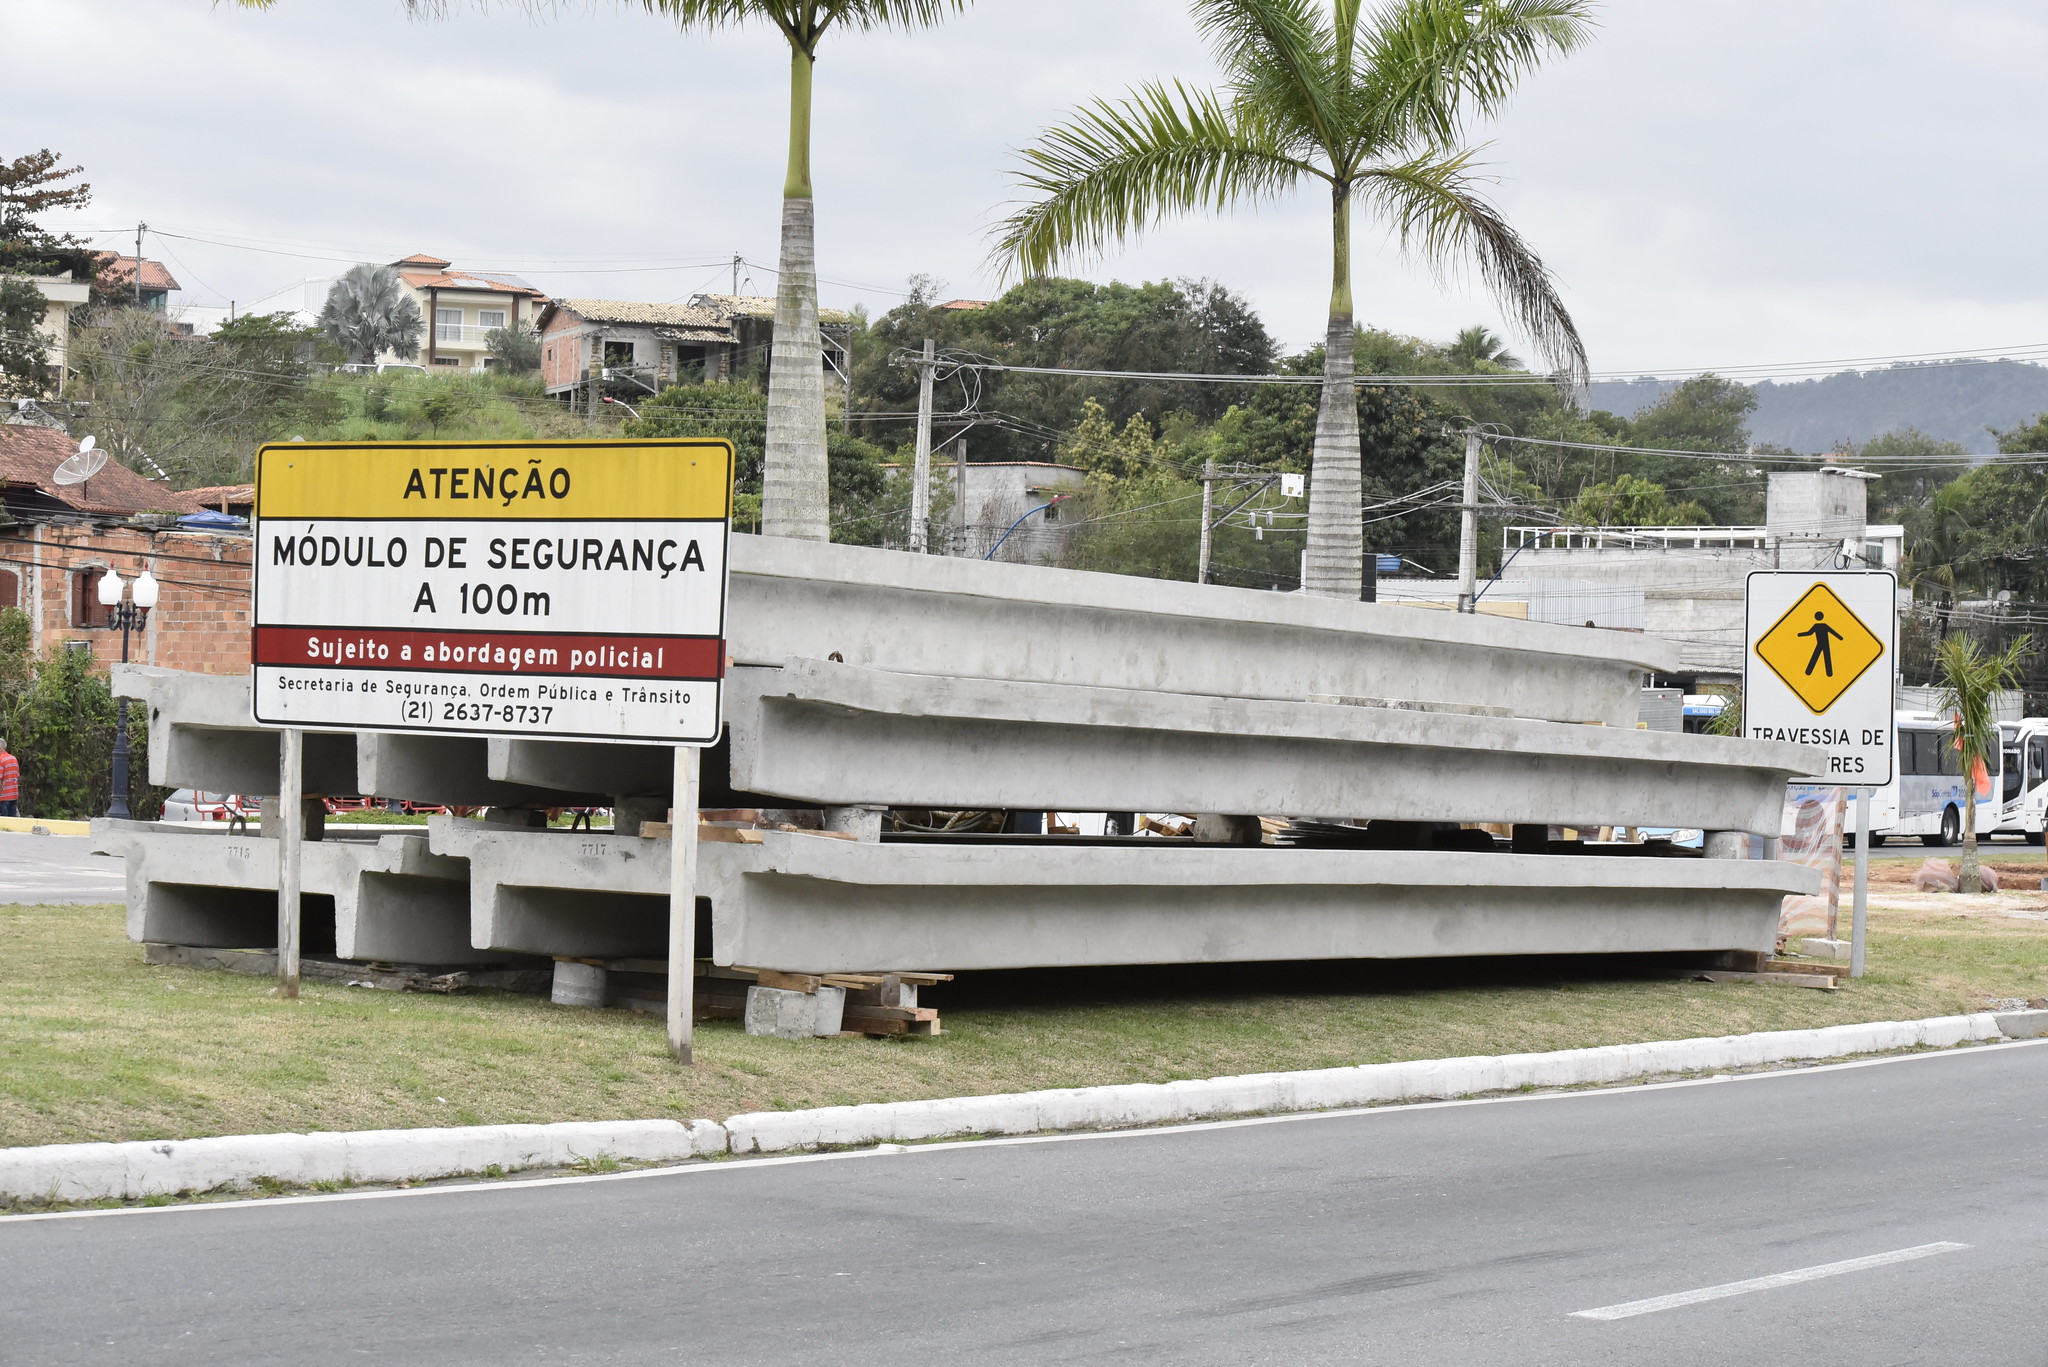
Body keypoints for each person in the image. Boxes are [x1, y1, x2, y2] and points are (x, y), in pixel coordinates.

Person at [0, 737, 18, 818]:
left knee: (4, 822)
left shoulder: (1, 760)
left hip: (3, 796)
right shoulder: (13, 758)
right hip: (14, 794)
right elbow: (16, 775)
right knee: (12, 821)